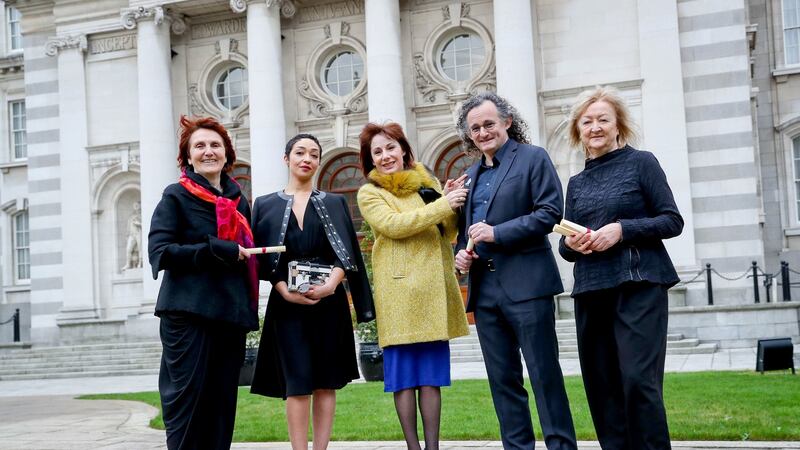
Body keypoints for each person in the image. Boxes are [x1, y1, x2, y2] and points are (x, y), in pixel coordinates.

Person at [559, 86, 683, 450]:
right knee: (602, 387)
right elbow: (567, 248)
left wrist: (622, 229)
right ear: (578, 130)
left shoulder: (642, 162)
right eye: (587, 121)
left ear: (618, 127)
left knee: (638, 382)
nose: (595, 127)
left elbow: (671, 221)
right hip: (591, 289)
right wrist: (571, 243)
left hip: (639, 285)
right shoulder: (576, 182)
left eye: (603, 120)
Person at [453, 92, 578, 450]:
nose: (482, 132)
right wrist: (462, 256)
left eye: (488, 124)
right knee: (502, 381)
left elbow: (550, 213)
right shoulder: (470, 175)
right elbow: (467, 233)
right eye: (475, 128)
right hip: (486, 292)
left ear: (507, 122)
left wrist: (497, 232)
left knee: (544, 376)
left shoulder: (533, 158)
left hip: (528, 287)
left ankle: (561, 446)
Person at [249, 134, 375, 450]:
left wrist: (333, 284)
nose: (307, 158)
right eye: (300, 152)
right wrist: (283, 289)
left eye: (314, 154)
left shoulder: (334, 202)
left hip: (329, 304)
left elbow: (346, 253)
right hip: (287, 307)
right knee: (297, 383)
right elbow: (260, 260)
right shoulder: (264, 204)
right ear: (286, 158)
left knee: (325, 381)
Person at [356, 122, 469, 450]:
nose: (385, 155)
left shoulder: (426, 183)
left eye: (390, 147)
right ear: (371, 160)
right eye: (377, 151)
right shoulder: (371, 192)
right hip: (400, 294)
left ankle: (432, 447)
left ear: (403, 149)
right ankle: (413, 447)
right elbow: (394, 226)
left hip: (434, 291)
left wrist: (446, 197)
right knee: (403, 380)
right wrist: (443, 204)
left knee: (432, 379)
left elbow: (448, 230)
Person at [148, 115, 258, 450]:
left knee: (221, 409)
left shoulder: (240, 202)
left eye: (215, 145)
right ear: (188, 156)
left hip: (229, 316)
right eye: (200, 146)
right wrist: (214, 250)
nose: (208, 151)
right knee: (187, 405)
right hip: (187, 315)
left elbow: (249, 258)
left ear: (227, 153)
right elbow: (160, 253)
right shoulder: (175, 196)